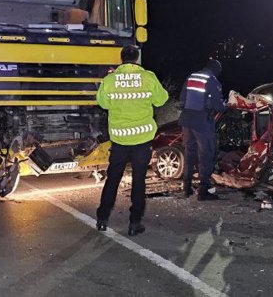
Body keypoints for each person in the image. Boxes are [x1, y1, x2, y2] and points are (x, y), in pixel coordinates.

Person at [95, 45, 169, 236]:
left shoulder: (110, 80)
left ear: (121, 59)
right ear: (137, 59)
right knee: (138, 180)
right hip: (142, 139)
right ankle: (134, 223)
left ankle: (102, 218)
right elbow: (161, 100)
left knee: (113, 178)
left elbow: (103, 103)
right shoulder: (148, 77)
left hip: (119, 139)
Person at [179, 59, 226, 201]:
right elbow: (219, 106)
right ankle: (203, 191)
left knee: (189, 153)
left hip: (187, 120)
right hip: (202, 122)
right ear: (216, 70)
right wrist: (226, 105)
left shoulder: (191, 76)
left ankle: (186, 188)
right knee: (206, 155)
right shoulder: (212, 80)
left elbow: (182, 99)